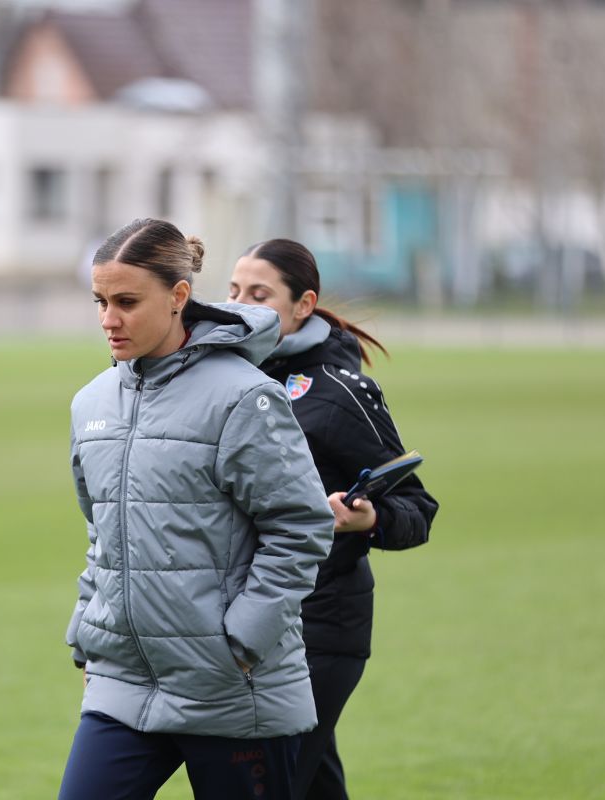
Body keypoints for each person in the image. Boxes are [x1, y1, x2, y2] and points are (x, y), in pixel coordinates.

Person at [60, 219, 336, 800]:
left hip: (231, 688)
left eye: (127, 302)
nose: (109, 319)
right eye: (101, 302)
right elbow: (102, 532)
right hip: (123, 683)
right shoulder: (91, 404)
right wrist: (88, 630)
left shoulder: (243, 396)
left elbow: (301, 525)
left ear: (178, 296)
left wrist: (242, 641)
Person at [229, 239, 439, 800]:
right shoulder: (227, 376)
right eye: (234, 291)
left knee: (266, 785)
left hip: (320, 626)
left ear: (303, 305)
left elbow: (416, 508)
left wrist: (366, 520)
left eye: (260, 295)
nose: (241, 305)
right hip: (252, 619)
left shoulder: (341, 391)